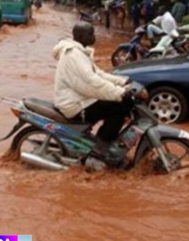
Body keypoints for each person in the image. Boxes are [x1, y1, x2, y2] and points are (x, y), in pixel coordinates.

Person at [52, 22, 147, 165]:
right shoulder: (73, 56)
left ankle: (102, 141)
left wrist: (123, 81)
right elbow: (92, 83)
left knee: (121, 103)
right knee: (120, 106)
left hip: (81, 100)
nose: (94, 36)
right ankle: (101, 148)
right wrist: (120, 93)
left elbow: (99, 74)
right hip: (76, 105)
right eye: (91, 33)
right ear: (80, 36)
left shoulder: (80, 53)